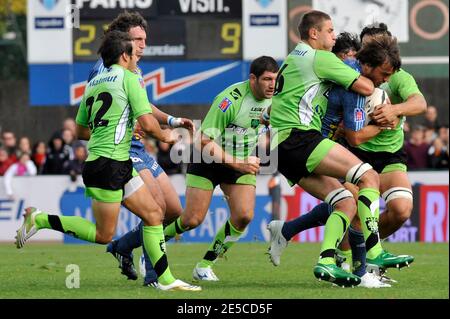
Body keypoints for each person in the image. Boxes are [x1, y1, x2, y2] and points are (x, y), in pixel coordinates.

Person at [15, 30, 200, 292]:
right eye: (134, 52)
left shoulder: (93, 83)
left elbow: (80, 132)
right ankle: (41, 219)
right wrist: (167, 136)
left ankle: (165, 279)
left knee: (154, 214)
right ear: (124, 55)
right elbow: (147, 123)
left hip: (111, 162)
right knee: (104, 235)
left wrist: (112, 128)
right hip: (108, 165)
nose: (137, 56)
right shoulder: (129, 78)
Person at [267, 10, 386, 288]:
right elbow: (365, 86)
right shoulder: (319, 58)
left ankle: (326, 261)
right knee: (368, 177)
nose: (334, 36)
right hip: (298, 138)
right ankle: (375, 254)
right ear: (314, 33)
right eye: (330, 31)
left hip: (281, 148)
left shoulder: (293, 58)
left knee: (344, 200)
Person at [87, 11, 195, 288]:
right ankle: (155, 276)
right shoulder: (106, 69)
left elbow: (143, 104)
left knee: (173, 210)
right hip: (121, 148)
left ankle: (122, 247)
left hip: (139, 146)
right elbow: (102, 112)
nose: (143, 44)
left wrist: (170, 120)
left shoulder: (134, 68)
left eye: (145, 39)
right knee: (155, 208)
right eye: (137, 39)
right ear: (123, 41)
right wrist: (154, 130)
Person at [160, 56, 278, 282]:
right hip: (207, 158)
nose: (272, 84)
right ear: (253, 79)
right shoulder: (230, 100)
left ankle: (204, 266)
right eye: (267, 79)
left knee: (244, 216)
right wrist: (239, 163)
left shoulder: (277, 99)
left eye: (275, 79)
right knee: (192, 220)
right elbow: (203, 141)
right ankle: (153, 246)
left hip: (240, 160)